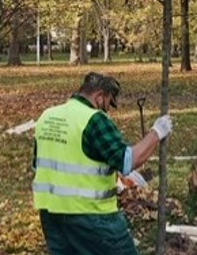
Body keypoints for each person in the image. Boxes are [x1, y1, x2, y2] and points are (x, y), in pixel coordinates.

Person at [32, 72, 174, 255]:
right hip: (92, 216)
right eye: (108, 103)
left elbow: (38, 166)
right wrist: (157, 132)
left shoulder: (47, 117)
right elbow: (127, 161)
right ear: (99, 96)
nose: (107, 110)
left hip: (51, 217)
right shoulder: (94, 119)